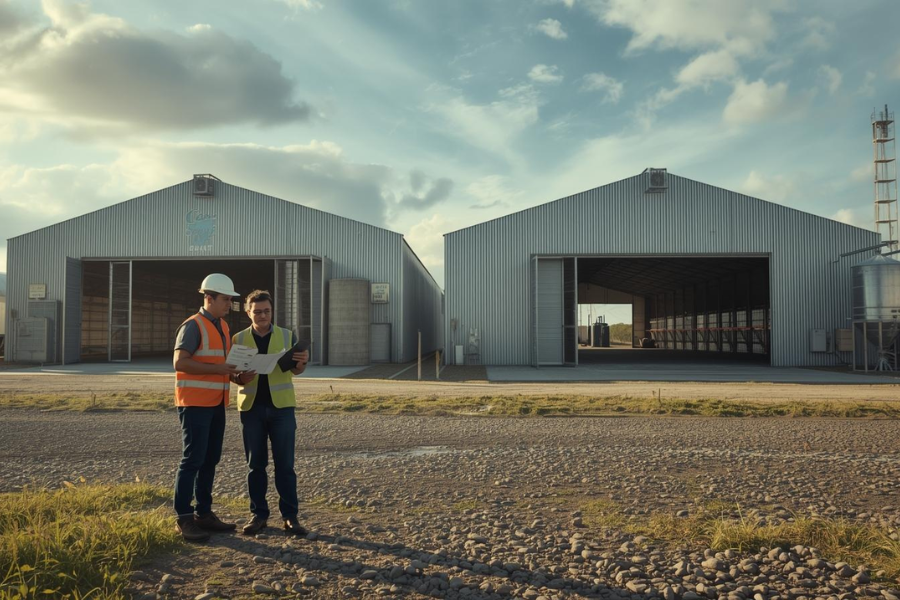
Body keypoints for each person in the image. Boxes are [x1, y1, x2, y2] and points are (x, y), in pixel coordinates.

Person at [231, 289, 310, 536]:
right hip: (251, 408)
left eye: (266, 311)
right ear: (248, 313)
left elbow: (296, 371)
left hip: (282, 408)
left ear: (272, 311)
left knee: (285, 465)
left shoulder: (288, 336)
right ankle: (258, 515)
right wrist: (238, 377)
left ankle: (290, 517)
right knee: (255, 465)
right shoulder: (238, 339)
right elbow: (231, 372)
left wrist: (302, 362)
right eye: (257, 312)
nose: (263, 315)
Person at [171, 273, 240, 542]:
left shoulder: (222, 327)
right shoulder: (192, 326)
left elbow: (221, 366)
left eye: (231, 300)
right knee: (192, 460)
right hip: (195, 404)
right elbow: (180, 363)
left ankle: (204, 513)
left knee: (210, 459)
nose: (230, 305)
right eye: (226, 299)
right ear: (208, 298)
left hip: (216, 404)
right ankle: (184, 518)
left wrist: (235, 376)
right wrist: (219, 369)